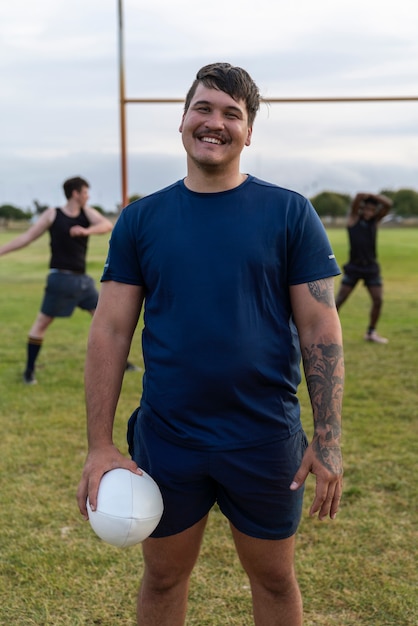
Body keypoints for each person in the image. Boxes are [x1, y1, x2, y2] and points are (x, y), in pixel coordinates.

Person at [77, 63, 344, 626]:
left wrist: (329, 437)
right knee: (164, 576)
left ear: (249, 132)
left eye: (232, 114)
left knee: (274, 578)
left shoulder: (288, 212)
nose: (215, 122)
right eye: (203, 108)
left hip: (263, 435)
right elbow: (109, 330)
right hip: (171, 436)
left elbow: (321, 327)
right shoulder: (140, 220)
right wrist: (100, 444)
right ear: (182, 122)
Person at [0, 176, 138, 384]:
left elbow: (106, 225)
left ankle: (122, 363)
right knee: (42, 323)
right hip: (60, 280)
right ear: (75, 193)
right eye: (85, 192)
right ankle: (29, 372)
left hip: (83, 282)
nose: (88, 196)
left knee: (105, 321)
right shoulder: (52, 214)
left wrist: (86, 230)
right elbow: (26, 238)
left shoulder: (86, 214)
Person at [335, 192, 393, 344]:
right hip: (354, 267)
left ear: (375, 211)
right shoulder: (353, 219)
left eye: (371, 210)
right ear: (361, 209)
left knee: (378, 300)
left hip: (371, 268)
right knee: (339, 301)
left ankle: (371, 332)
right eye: (366, 209)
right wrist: (365, 198)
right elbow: (358, 196)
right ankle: (328, 332)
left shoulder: (374, 222)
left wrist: (375, 198)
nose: (368, 212)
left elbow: (388, 204)